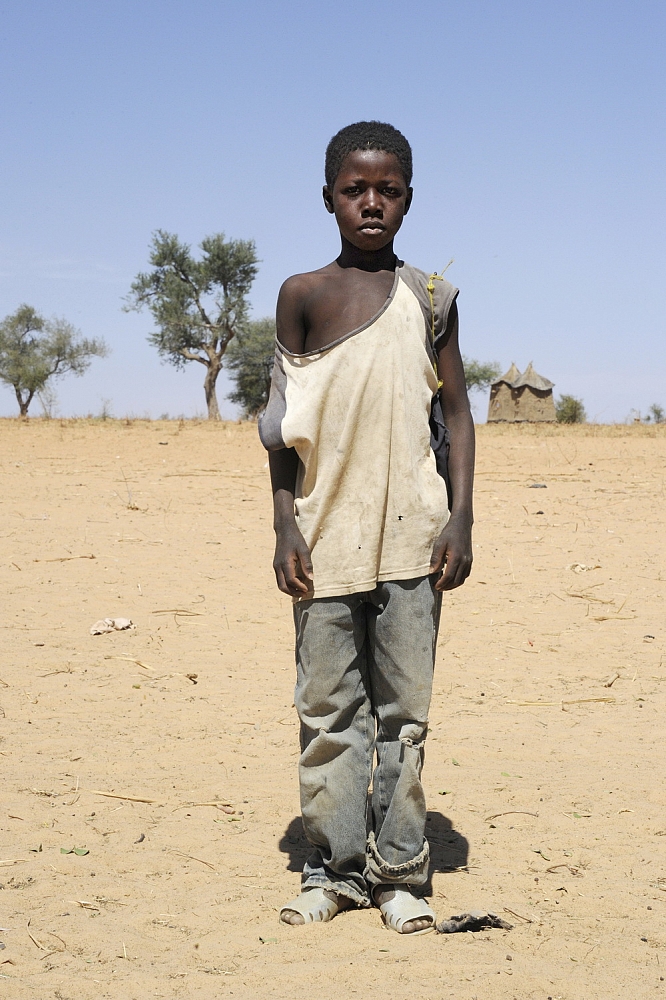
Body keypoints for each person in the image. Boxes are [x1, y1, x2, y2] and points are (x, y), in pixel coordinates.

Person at [259, 121, 474, 935]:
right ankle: (331, 868)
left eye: (388, 189)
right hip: (324, 540)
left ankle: (401, 873)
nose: (372, 203)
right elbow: (281, 428)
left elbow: (455, 410)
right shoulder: (302, 296)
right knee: (327, 712)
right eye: (356, 190)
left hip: (414, 539)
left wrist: (462, 514)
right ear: (329, 199)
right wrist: (284, 528)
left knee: (403, 718)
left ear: (409, 198)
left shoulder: (432, 298)